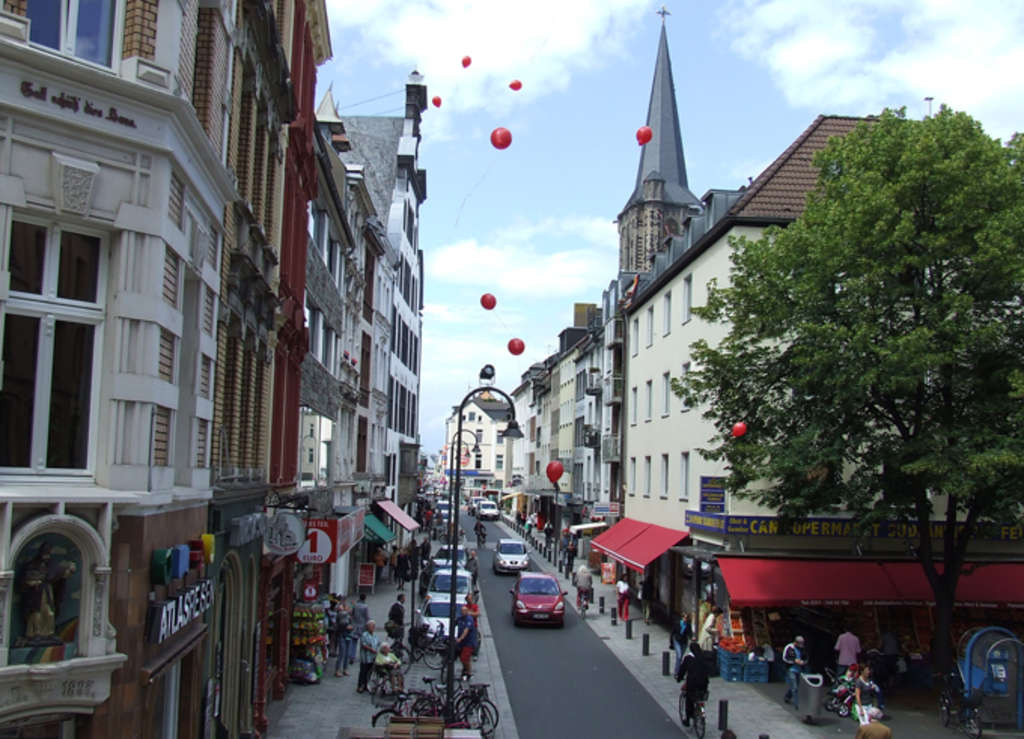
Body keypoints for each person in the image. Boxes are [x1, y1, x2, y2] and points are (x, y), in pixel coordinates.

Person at [675, 641, 710, 728]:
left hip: (692, 684)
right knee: (700, 697)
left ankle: (687, 719)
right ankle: (700, 711)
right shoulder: (703, 657)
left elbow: (682, 671)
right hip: (704, 684)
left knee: (689, 699)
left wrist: (679, 678)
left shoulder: (688, 658)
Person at [782, 635, 808, 710]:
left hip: (799, 669)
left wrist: (803, 662)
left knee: (796, 685)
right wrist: (794, 660)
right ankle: (797, 703)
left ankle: (787, 696)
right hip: (791, 669)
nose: (801, 646)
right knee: (795, 686)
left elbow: (805, 657)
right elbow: (785, 658)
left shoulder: (802, 649)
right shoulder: (790, 647)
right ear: (795, 643)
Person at [455, 605, 478, 679]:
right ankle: (465, 669)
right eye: (462, 611)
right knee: (462, 657)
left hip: (469, 642)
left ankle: (469, 672)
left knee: (464, 658)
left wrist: (460, 639)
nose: (463, 612)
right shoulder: (460, 618)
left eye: (464, 611)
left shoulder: (469, 619)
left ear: (467, 611)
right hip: (462, 643)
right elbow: (454, 623)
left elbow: (466, 630)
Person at [333, 598, 355, 677]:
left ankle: (345, 669)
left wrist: (351, 627)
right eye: (344, 606)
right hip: (342, 634)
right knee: (342, 653)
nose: (346, 607)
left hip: (348, 635)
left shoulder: (348, 616)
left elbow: (352, 620)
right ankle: (338, 670)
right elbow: (342, 623)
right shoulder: (341, 614)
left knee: (347, 653)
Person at [356, 620, 380, 693]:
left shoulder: (375, 636)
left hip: (372, 658)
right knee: (363, 672)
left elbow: (378, 643)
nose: (373, 628)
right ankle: (360, 686)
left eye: (373, 626)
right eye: (371, 626)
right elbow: (364, 645)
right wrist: (371, 649)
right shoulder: (364, 635)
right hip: (366, 657)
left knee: (369, 672)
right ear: (367, 627)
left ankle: (366, 685)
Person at [465, 592, 481, 657]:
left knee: (475, 640)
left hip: (474, 626)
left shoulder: (475, 606)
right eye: (469, 599)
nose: (470, 600)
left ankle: (475, 653)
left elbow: (477, 614)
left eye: (471, 599)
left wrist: (469, 613)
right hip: (466, 627)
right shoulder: (465, 606)